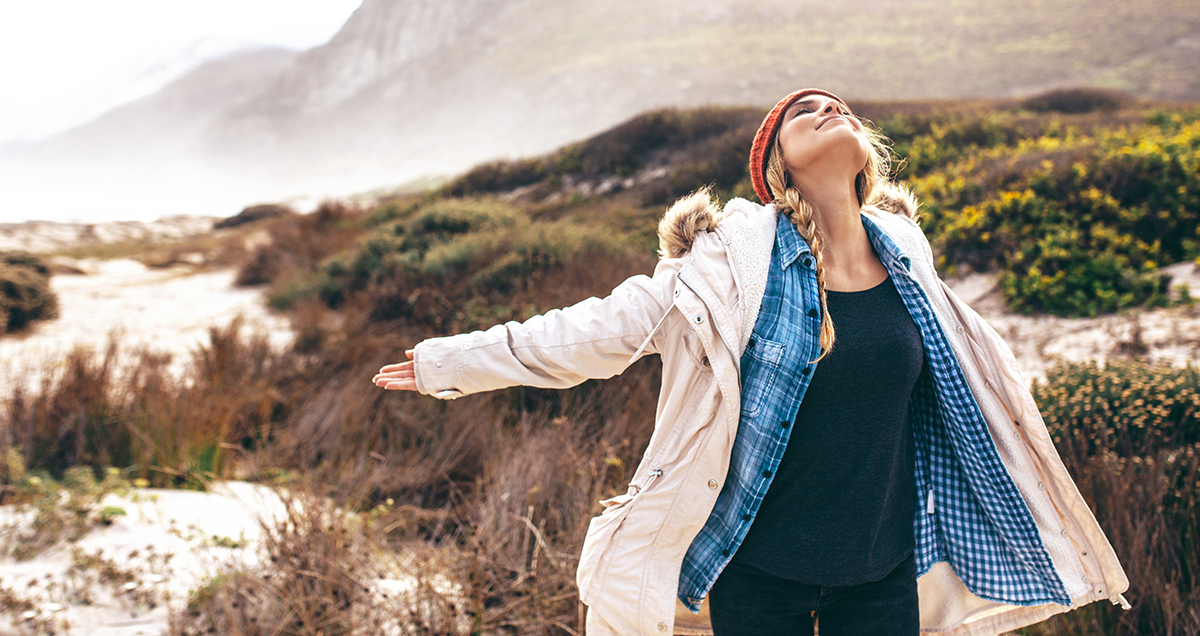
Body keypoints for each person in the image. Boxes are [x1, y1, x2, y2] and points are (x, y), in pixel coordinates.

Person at [373, 89, 1128, 636]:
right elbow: (592, 332)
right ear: (777, 168)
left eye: (842, 107)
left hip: (885, 567)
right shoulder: (728, 268)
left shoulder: (909, 258)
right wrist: (453, 362)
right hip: (759, 571)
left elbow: (974, 386)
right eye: (808, 111)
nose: (834, 111)